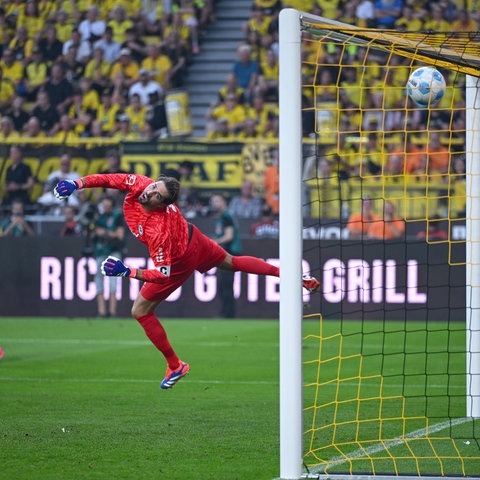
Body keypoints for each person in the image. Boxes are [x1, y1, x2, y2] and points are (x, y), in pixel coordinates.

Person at [53, 173, 320, 389]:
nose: (151, 192)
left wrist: (128, 272)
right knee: (232, 262)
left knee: (140, 311)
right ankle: (295, 275)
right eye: (154, 186)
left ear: (163, 204)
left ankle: (175, 364)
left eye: (157, 194)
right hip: (196, 238)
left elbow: (163, 274)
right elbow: (112, 179)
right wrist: (77, 184)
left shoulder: (159, 230)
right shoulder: (141, 184)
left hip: (180, 260)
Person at [93, 196, 126, 318]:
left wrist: (105, 233)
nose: (106, 207)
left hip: (114, 251)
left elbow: (120, 235)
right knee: (98, 280)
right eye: (104, 205)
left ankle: (112, 311)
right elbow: (93, 233)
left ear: (111, 206)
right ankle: (101, 311)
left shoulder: (117, 216)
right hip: (101, 251)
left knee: (113, 281)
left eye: (107, 205)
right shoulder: (98, 218)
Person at [211, 192, 242, 319]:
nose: (215, 204)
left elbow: (229, 236)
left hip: (230, 253)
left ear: (224, 201)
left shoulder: (226, 216)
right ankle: (226, 313)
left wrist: (214, 242)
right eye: (213, 201)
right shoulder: (223, 216)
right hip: (226, 253)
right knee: (224, 285)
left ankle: (228, 314)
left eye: (217, 201)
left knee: (227, 285)